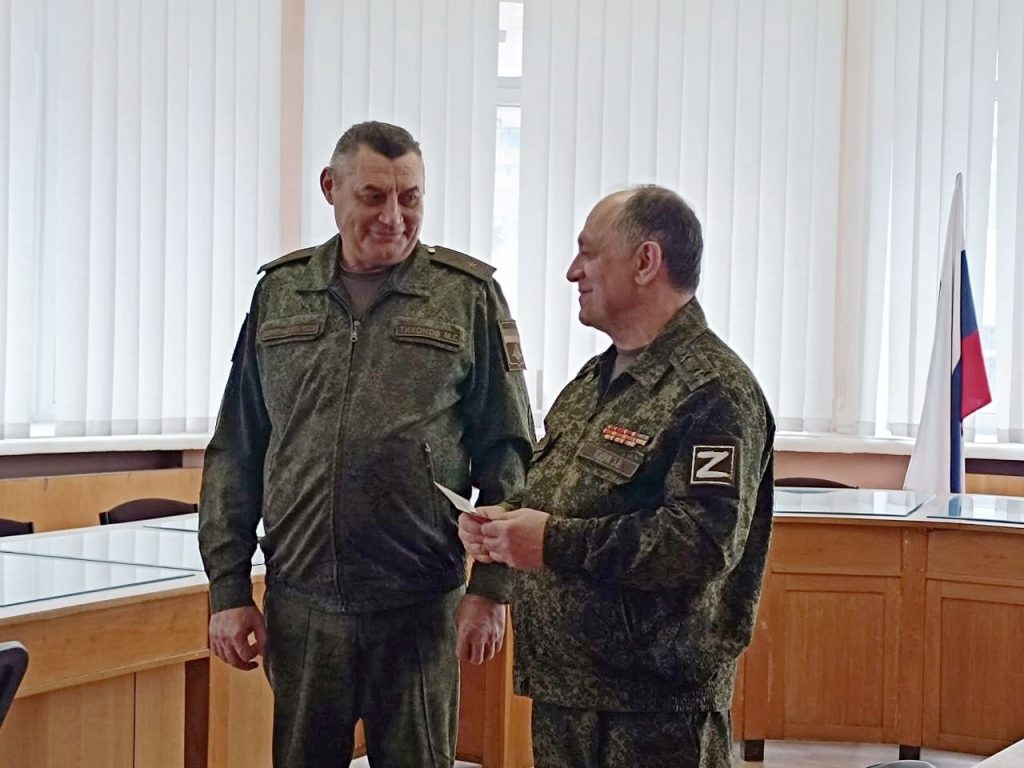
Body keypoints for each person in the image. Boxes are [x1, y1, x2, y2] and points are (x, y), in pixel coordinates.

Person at [199, 120, 534, 768]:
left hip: (418, 608)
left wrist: (492, 587)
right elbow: (237, 448)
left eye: (410, 197)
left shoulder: (465, 296)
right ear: (331, 187)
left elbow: (510, 451)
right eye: (374, 196)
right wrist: (228, 589)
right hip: (303, 605)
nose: (394, 217)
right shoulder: (281, 292)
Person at [460, 186, 775, 768]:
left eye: (589, 253)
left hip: (653, 715)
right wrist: (502, 527)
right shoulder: (593, 379)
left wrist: (551, 542)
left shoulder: (715, 391)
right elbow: (561, 495)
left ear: (645, 261)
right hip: (566, 693)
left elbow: (702, 542)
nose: (572, 271)